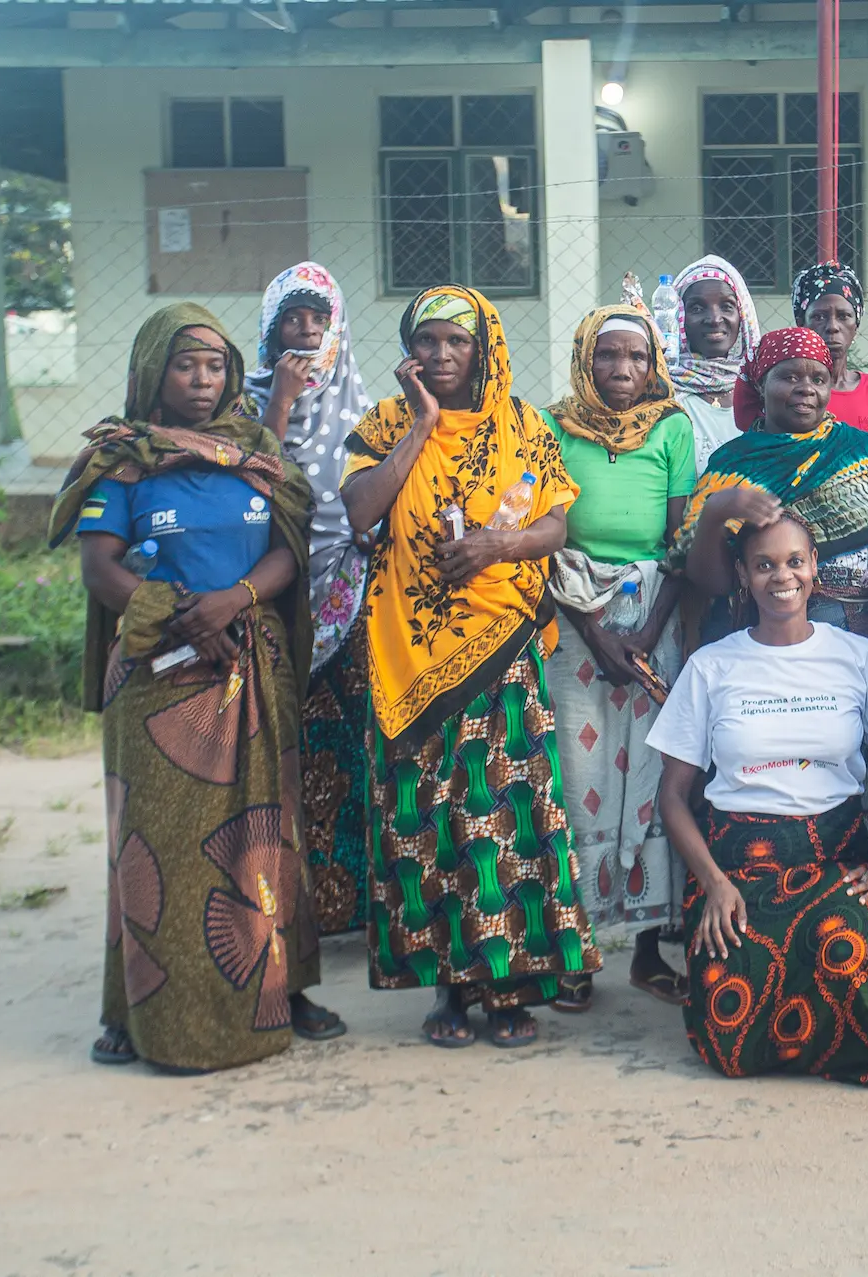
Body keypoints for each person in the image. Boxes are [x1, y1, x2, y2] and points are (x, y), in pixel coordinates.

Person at [52, 303, 343, 1071]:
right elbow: (101, 567)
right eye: (187, 364)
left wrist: (236, 600)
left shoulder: (253, 450)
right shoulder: (122, 460)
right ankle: (132, 1005)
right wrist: (182, 616)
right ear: (154, 370)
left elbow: (289, 549)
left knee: (271, 830)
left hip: (252, 659)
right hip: (159, 675)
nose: (204, 379)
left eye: (216, 365)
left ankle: (289, 985)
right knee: (152, 844)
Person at [340, 284, 600, 1047]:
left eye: (458, 341)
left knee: (505, 818)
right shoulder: (384, 422)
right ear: (408, 350)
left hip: (503, 645)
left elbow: (554, 522)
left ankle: (509, 984)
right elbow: (361, 511)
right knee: (424, 819)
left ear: (484, 345)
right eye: (428, 341)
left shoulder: (524, 425)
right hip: (408, 653)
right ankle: (448, 989)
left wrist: (495, 545)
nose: (442, 354)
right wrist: (421, 426)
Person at [673, 326, 868, 968]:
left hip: (860, 639)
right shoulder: (732, 463)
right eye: (787, 375)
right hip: (761, 642)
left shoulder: (863, 451)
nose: (804, 388)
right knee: (766, 764)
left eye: (817, 377)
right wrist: (723, 511)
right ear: (759, 385)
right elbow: (709, 580)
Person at [647, 513, 868, 1086]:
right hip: (734, 865)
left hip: (831, 859)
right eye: (765, 564)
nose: (783, 576)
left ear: (814, 567)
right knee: (730, 1036)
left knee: (844, 943)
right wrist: (714, 885)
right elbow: (672, 799)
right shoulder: (711, 666)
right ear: (744, 576)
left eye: (795, 561)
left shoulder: (856, 657)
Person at [540, 304, 697, 1011]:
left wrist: (645, 631)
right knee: (581, 776)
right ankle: (577, 953)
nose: (623, 370)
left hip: (651, 612)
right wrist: (597, 632)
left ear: (654, 361)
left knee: (651, 768)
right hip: (574, 612)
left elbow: (682, 542)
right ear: (584, 359)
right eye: (608, 356)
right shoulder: (550, 427)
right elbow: (542, 534)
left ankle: (647, 951)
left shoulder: (671, 428)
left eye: (637, 357)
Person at [241, 261, 374, 935]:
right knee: (277, 753)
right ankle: (283, 902)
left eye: (318, 321)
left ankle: (347, 904)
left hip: (345, 606)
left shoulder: (361, 411)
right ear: (268, 332)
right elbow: (252, 486)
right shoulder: (241, 409)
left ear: (337, 331)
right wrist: (282, 403)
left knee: (346, 751)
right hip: (265, 603)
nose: (305, 333)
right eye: (291, 319)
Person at [667, 254, 763, 472]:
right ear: (678, 318)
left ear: (742, 316)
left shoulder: (762, 393)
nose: (714, 319)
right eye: (697, 308)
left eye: (727, 306)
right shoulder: (664, 394)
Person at [794, 261, 868, 435]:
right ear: (802, 325)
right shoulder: (793, 392)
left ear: (855, 326)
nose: (832, 326)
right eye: (819, 317)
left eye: (844, 316)